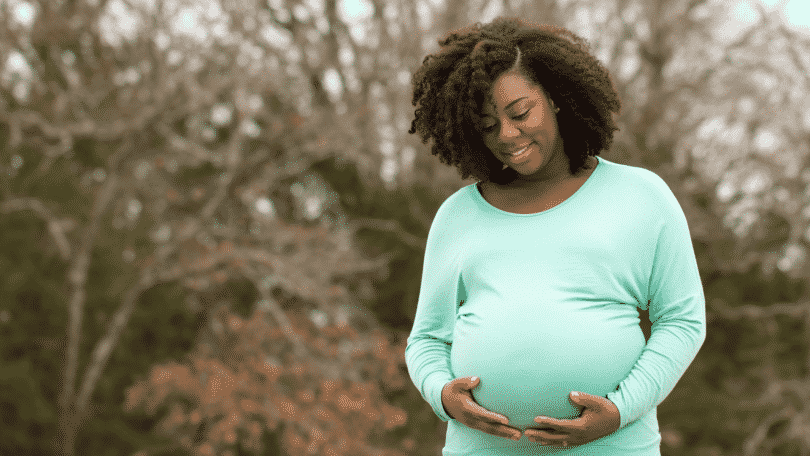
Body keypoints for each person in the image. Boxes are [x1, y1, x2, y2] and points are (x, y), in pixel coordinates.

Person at [404, 16, 706, 456]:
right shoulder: (458, 215)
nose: (508, 135)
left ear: (556, 98)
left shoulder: (642, 196)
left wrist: (620, 410)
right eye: (488, 125)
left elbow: (682, 321)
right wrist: (443, 396)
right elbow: (427, 339)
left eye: (520, 113)